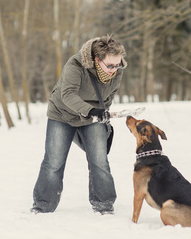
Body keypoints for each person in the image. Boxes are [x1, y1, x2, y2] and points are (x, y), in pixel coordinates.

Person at [31, 35, 127, 215]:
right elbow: (67, 95)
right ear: (97, 60)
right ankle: (43, 206)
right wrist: (91, 111)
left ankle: (104, 205)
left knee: (99, 160)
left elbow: (109, 97)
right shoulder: (75, 66)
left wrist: (102, 113)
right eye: (111, 66)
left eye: (118, 64)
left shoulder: (118, 71)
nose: (115, 70)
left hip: (92, 117)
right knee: (54, 162)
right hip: (62, 114)